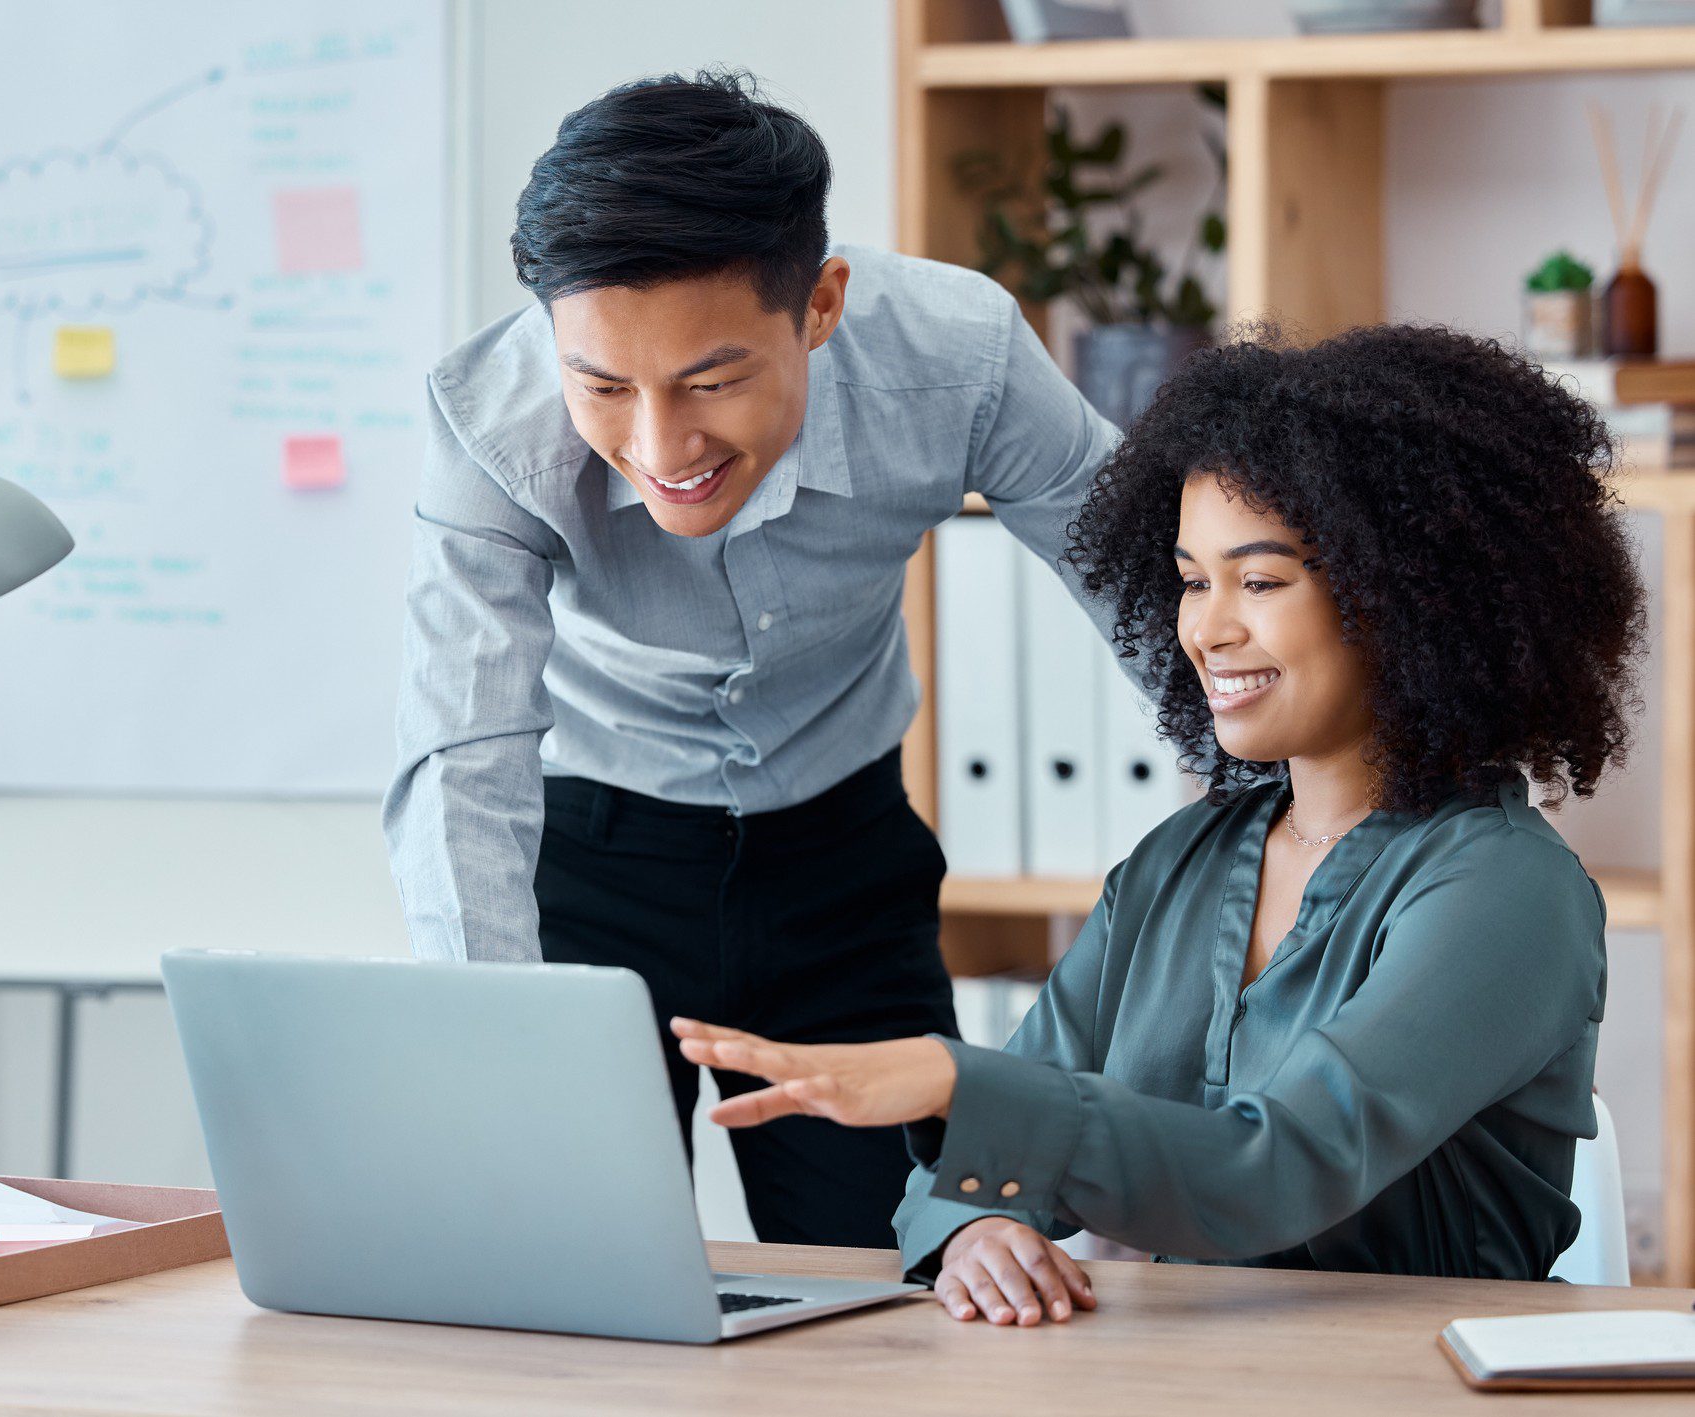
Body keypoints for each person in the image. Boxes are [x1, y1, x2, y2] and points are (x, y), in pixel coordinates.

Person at [673, 322, 1647, 1317]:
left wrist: (953, 1082)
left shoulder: (1506, 894)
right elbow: (958, 1179)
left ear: (1411, 598)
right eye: (1190, 580)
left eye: (1260, 582)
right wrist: (980, 1228)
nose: (1206, 628)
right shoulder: (1181, 861)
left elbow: (1276, 1169)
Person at [381, 69, 1117, 1248]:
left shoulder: (959, 356)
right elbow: (461, 748)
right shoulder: (488, 423)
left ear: (819, 304)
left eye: (712, 381)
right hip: (589, 874)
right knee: (569, 1277)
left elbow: (1153, 588)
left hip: (841, 867)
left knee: (897, 1281)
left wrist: (1291, 840)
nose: (658, 444)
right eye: (603, 384)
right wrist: (492, 1047)